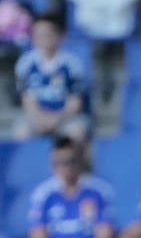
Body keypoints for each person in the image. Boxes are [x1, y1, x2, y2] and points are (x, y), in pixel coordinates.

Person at [13, 13, 91, 142]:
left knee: (76, 132)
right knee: (21, 132)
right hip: (36, 117)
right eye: (38, 35)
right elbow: (27, 99)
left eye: (46, 35)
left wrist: (56, 120)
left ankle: (77, 162)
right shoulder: (25, 64)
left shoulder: (72, 64)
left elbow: (75, 101)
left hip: (66, 117)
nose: (42, 39)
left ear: (60, 36)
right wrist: (40, 119)